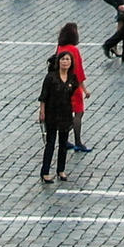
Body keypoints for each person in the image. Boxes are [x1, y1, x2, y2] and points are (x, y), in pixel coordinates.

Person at [38, 49, 80, 182]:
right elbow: (43, 96)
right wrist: (42, 111)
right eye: (63, 59)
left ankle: (61, 170)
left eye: (68, 59)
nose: (65, 62)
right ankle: (45, 172)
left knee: (63, 143)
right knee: (50, 143)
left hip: (66, 113)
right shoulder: (51, 77)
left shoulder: (72, 78)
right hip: (52, 113)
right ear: (58, 62)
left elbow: (72, 92)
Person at [54, 22, 91, 152]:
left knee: (67, 113)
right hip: (74, 86)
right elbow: (79, 71)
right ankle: (78, 142)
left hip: (62, 84)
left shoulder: (60, 47)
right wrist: (84, 89)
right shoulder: (74, 50)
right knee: (78, 113)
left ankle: (64, 140)